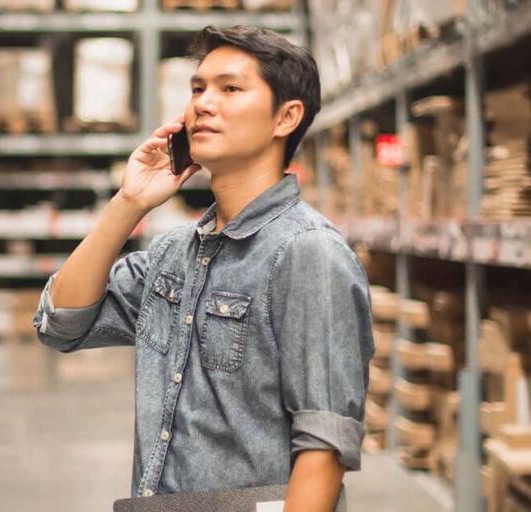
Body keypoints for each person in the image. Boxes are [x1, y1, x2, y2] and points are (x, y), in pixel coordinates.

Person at [34, 25, 374, 511]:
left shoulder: (308, 253)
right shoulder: (175, 253)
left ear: (286, 117)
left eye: (230, 88)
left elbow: (324, 444)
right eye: (197, 88)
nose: (202, 104)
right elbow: (62, 323)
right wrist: (130, 202)